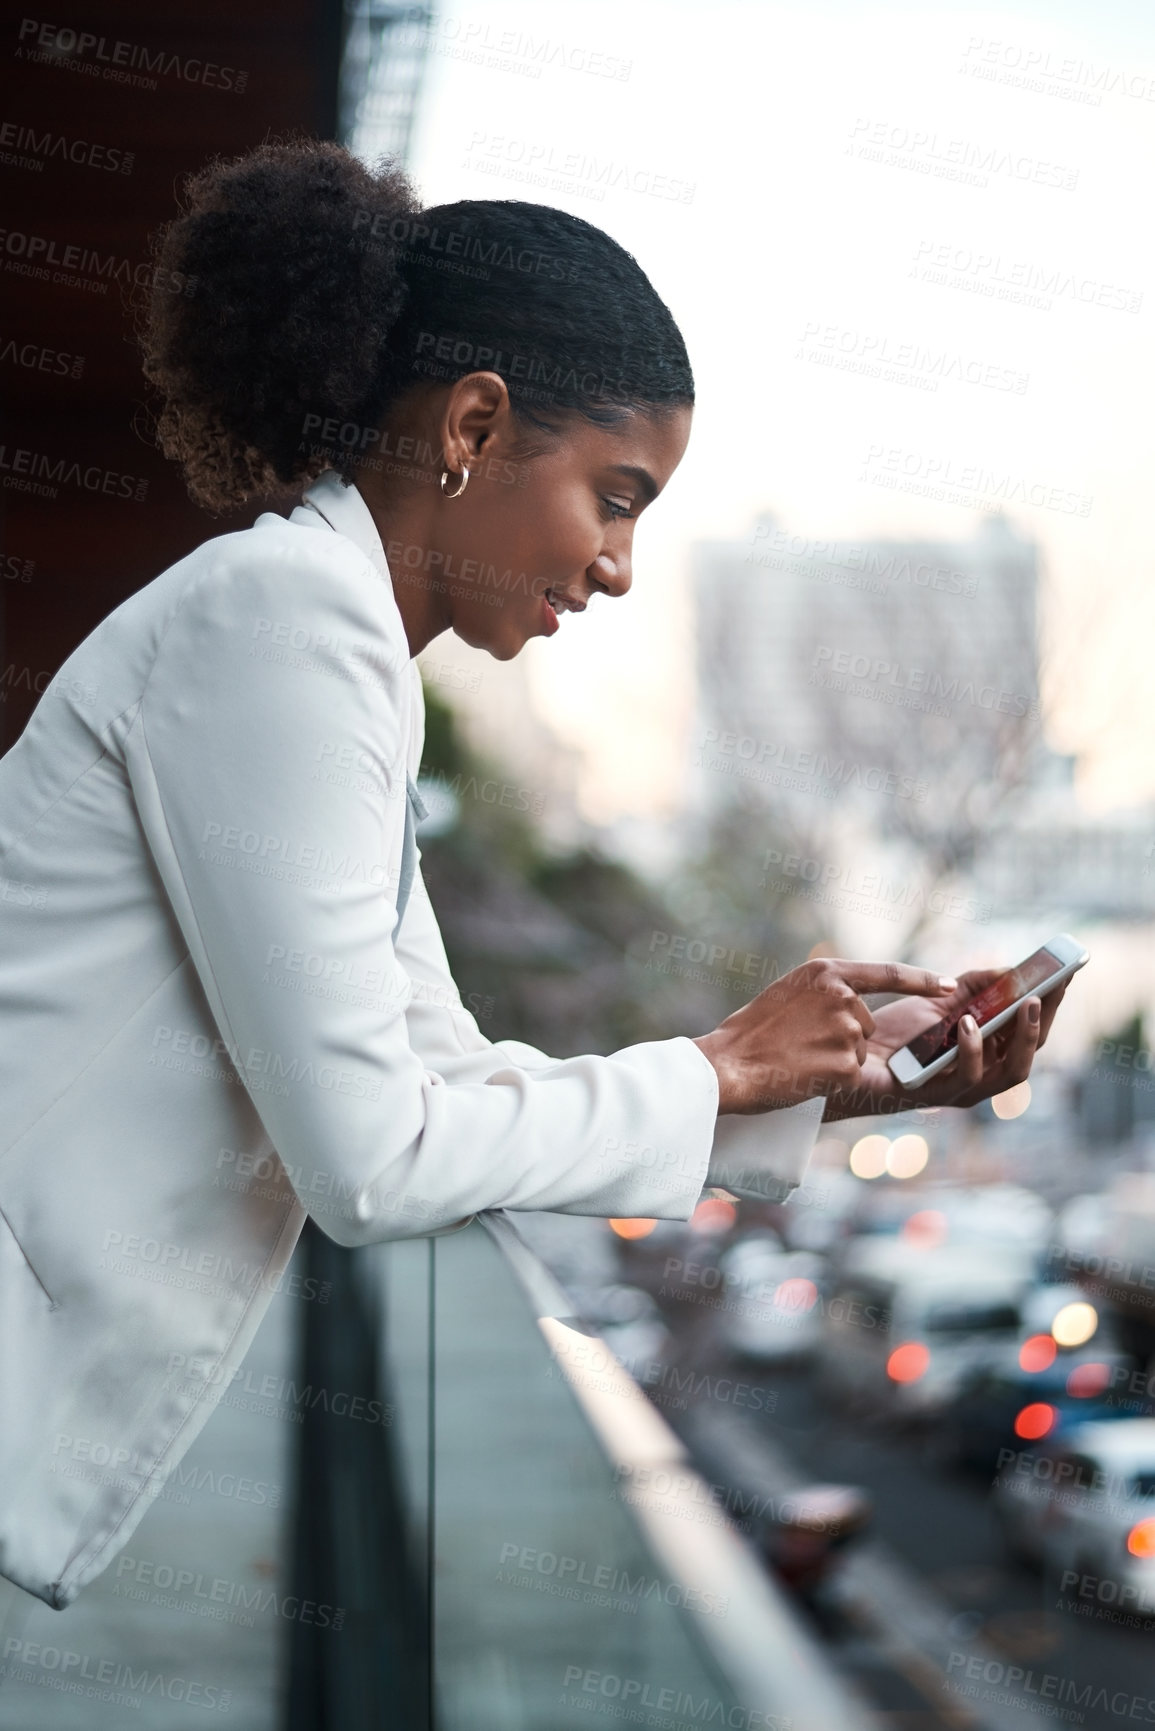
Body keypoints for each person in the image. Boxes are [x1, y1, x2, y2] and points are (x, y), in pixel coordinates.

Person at [0, 139, 1065, 1610]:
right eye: (614, 496)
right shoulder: (282, 632)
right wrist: (710, 1063)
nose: (620, 565)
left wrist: (817, 1083)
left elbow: (445, 1080)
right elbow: (375, 1160)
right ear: (477, 425)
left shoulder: (334, 651)